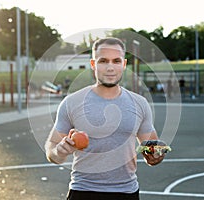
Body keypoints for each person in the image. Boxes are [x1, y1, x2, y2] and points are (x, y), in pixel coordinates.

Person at [45, 37, 167, 200]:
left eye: (116, 61)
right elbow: (51, 150)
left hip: (126, 192)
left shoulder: (140, 103)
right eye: (103, 61)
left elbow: (151, 150)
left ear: (123, 65)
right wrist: (58, 151)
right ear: (93, 64)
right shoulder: (72, 102)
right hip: (83, 191)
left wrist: (156, 155)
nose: (110, 67)